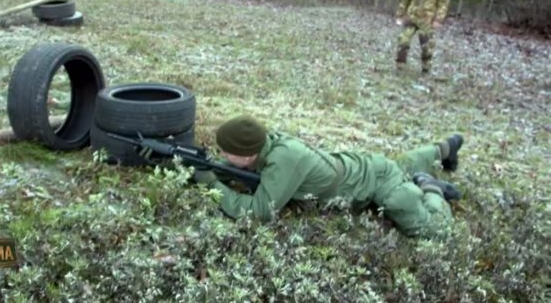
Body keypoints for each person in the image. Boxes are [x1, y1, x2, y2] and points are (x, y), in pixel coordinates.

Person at [192, 115, 464, 238]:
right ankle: (445, 147)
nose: (222, 155)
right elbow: (228, 170)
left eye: (227, 152)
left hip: (374, 182)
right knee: (398, 164)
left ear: (248, 154)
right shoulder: (264, 146)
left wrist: (211, 184)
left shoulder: (284, 159)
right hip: (361, 166)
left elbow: (259, 210)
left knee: (430, 229)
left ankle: (430, 187)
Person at [395, 0, 449, 74]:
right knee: (403, 40)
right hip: (411, 17)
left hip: (427, 20)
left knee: (426, 46)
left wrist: (438, 20)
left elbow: (443, 3)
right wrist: (399, 14)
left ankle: (426, 68)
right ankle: (400, 66)